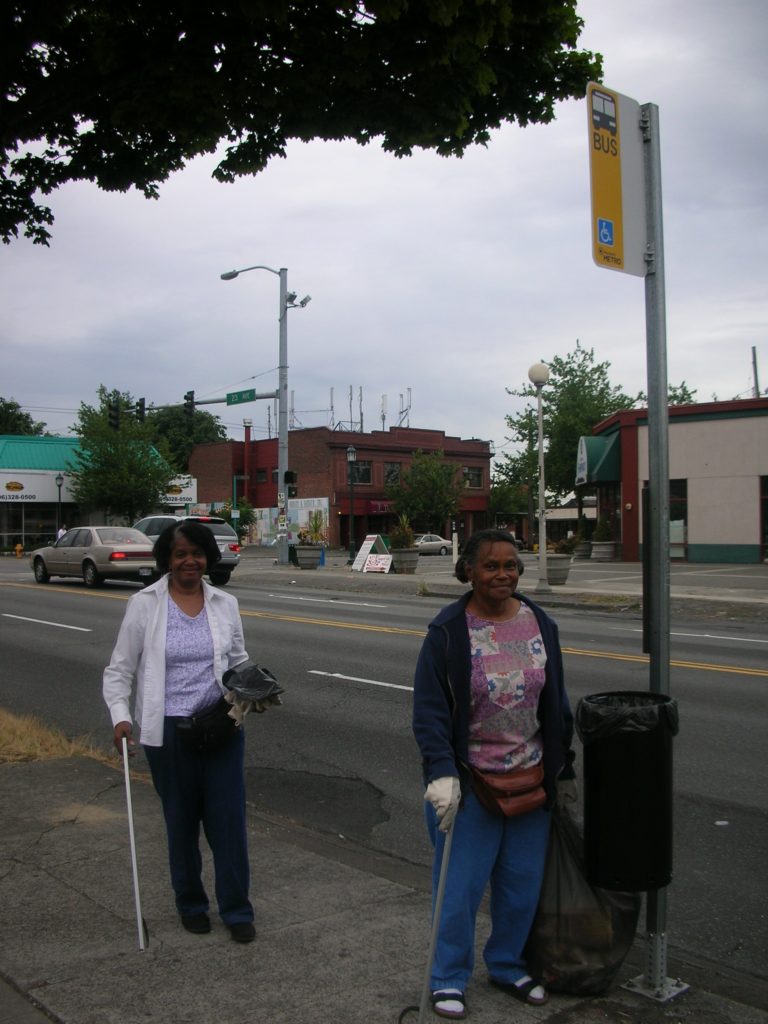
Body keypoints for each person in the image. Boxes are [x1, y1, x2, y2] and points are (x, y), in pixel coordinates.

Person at [412, 528, 576, 1020]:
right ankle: (447, 977)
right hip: (471, 785)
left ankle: (506, 964)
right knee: (458, 890)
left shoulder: (539, 622)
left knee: (521, 885)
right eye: (491, 565)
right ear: (468, 571)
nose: (503, 573)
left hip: (530, 779)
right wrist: (441, 773)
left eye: (511, 564)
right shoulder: (448, 633)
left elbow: (556, 702)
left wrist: (562, 770)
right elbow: (430, 713)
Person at [103, 519, 256, 942]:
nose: (190, 561)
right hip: (168, 732)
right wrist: (121, 716)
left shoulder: (225, 603)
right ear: (167, 560)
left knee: (228, 822)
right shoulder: (145, 604)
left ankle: (237, 909)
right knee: (182, 822)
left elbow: (238, 660)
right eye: (180, 554)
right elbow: (119, 670)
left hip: (221, 727)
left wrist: (252, 685)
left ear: (208, 557)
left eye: (197, 553)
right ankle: (190, 903)